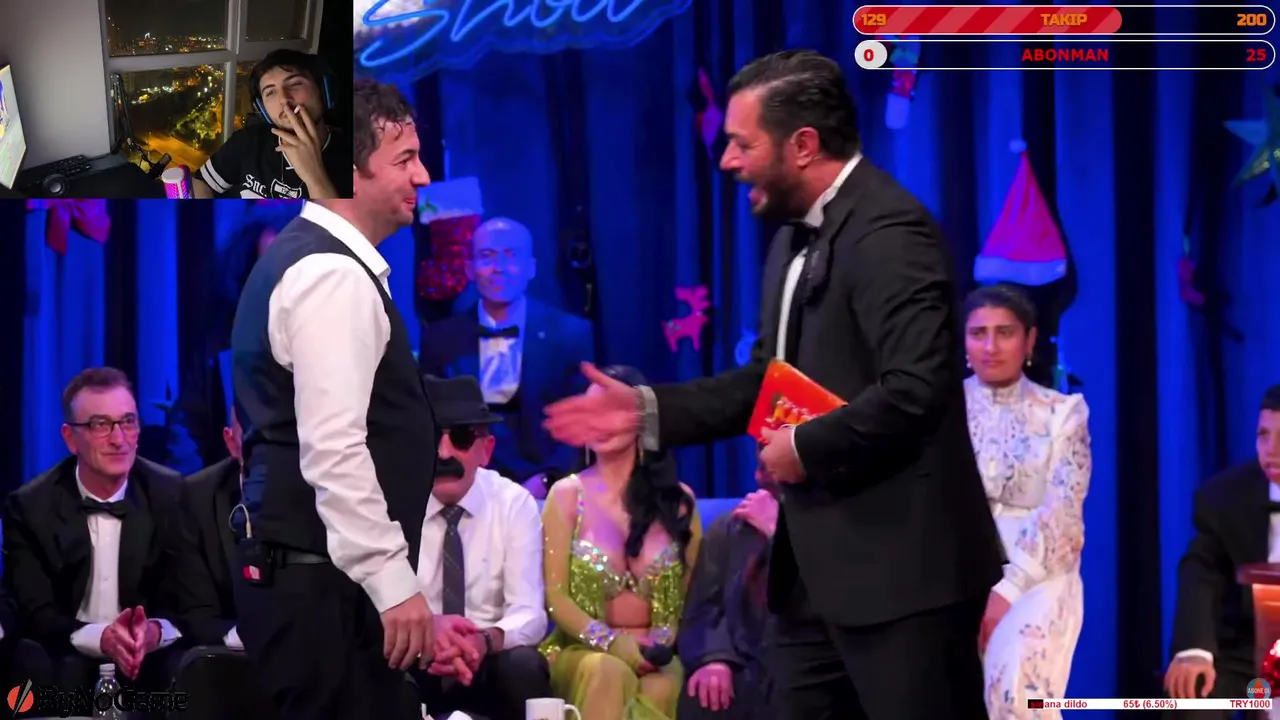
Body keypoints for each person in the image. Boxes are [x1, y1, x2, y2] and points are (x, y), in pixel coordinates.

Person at [544, 51, 1003, 720]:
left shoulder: (891, 232)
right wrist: (646, 410)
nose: (727, 160)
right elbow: (767, 382)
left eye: (742, 143)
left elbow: (916, 388)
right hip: (814, 574)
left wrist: (805, 447)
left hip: (904, 575)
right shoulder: (790, 239)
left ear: (803, 145)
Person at [228, 79, 472, 720]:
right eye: (405, 159)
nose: (423, 176)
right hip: (321, 593)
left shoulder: (322, 263)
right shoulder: (330, 273)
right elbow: (336, 450)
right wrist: (394, 584)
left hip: (320, 583)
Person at [2, 368, 185, 693]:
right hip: (63, 661)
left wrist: (153, 632)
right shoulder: (31, 506)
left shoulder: (171, 495)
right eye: (100, 425)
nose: (118, 439)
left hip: (149, 665)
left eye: (127, 422)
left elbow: (186, 598)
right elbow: (36, 610)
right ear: (70, 438)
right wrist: (102, 638)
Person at [540, 365, 701, 720]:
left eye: (609, 411)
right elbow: (556, 597)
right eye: (590, 412)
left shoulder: (679, 501)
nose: (598, 423)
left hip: (659, 656)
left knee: (662, 686)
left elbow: (692, 597)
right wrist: (614, 643)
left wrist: (659, 646)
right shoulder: (566, 496)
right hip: (583, 651)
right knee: (607, 672)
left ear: (641, 419)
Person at [961, 285, 1092, 718]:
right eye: (978, 333)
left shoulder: (1063, 412)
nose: (990, 346)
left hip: (1037, 573)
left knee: (1014, 691)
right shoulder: (941, 411)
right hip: (955, 570)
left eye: (1005, 332)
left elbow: (1063, 515)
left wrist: (1008, 590)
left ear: (1030, 340)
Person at [419, 217, 595, 497]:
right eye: (487, 256)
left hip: (546, 488)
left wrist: (546, 481)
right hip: (464, 486)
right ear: (470, 269)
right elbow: (428, 423)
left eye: (511, 255)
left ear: (531, 268)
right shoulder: (439, 339)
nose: (498, 267)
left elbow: (582, 420)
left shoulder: (571, 334)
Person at [411, 375, 552, 718]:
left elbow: (529, 612)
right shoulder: (392, 502)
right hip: (415, 656)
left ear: (486, 450)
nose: (443, 452)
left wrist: (483, 640)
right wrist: (429, 634)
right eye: (432, 437)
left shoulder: (513, 503)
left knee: (524, 666)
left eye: (460, 438)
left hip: (486, 657)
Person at [1163, 384, 1280, 718]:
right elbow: (1201, 570)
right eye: (1263, 435)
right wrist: (1195, 649)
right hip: (1247, 652)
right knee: (1191, 699)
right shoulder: (1224, 497)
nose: (1271, 451)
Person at [677, 478, 780, 720]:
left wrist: (776, 533)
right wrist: (715, 658)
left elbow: (825, 599)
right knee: (706, 695)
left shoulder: (835, 525)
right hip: (743, 662)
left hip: (805, 664)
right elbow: (703, 607)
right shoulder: (731, 526)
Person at [194, 50, 350, 199]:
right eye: (270, 92)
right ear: (263, 110)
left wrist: (315, 176)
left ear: (323, 90)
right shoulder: (248, 140)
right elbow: (201, 182)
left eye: (295, 84)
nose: (284, 99)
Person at [170, 408, 245, 649]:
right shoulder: (197, 498)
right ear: (231, 443)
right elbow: (197, 614)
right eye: (254, 436)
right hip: (230, 655)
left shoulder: (321, 491)